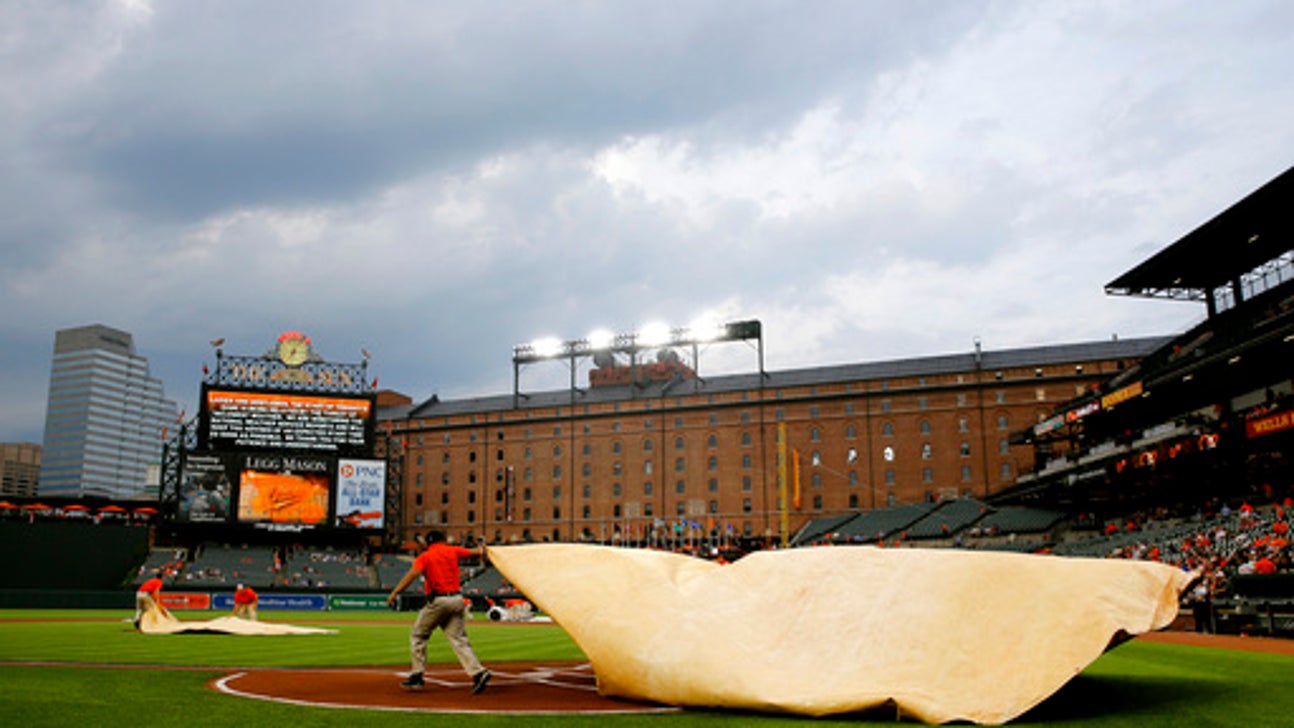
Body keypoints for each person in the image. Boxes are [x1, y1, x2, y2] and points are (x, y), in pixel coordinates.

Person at [386, 530, 492, 693]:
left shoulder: (426, 556)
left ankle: (417, 676)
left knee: (418, 636)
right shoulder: (452, 550)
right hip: (457, 599)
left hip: (439, 601)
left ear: (428, 543)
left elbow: (412, 575)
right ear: (442, 540)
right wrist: (481, 546)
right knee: (458, 640)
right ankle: (478, 672)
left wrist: (395, 592)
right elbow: (479, 552)